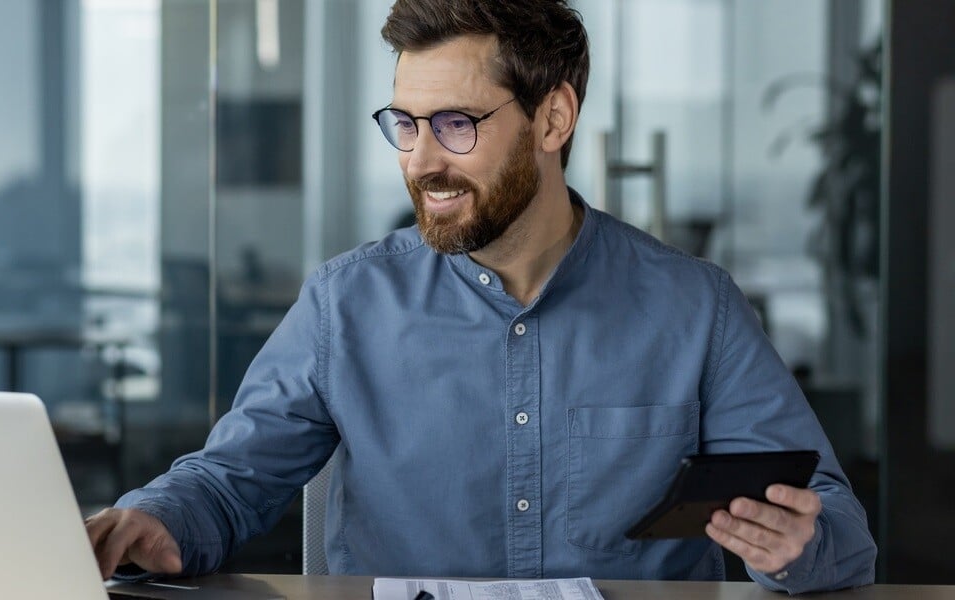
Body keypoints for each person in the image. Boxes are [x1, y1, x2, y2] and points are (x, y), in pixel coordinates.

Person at [86, 0, 877, 592]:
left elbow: (837, 524)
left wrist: (796, 544)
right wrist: (153, 520)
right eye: (406, 123)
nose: (422, 160)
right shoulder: (344, 304)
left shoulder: (694, 308)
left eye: (456, 124)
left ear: (553, 119)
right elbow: (228, 483)